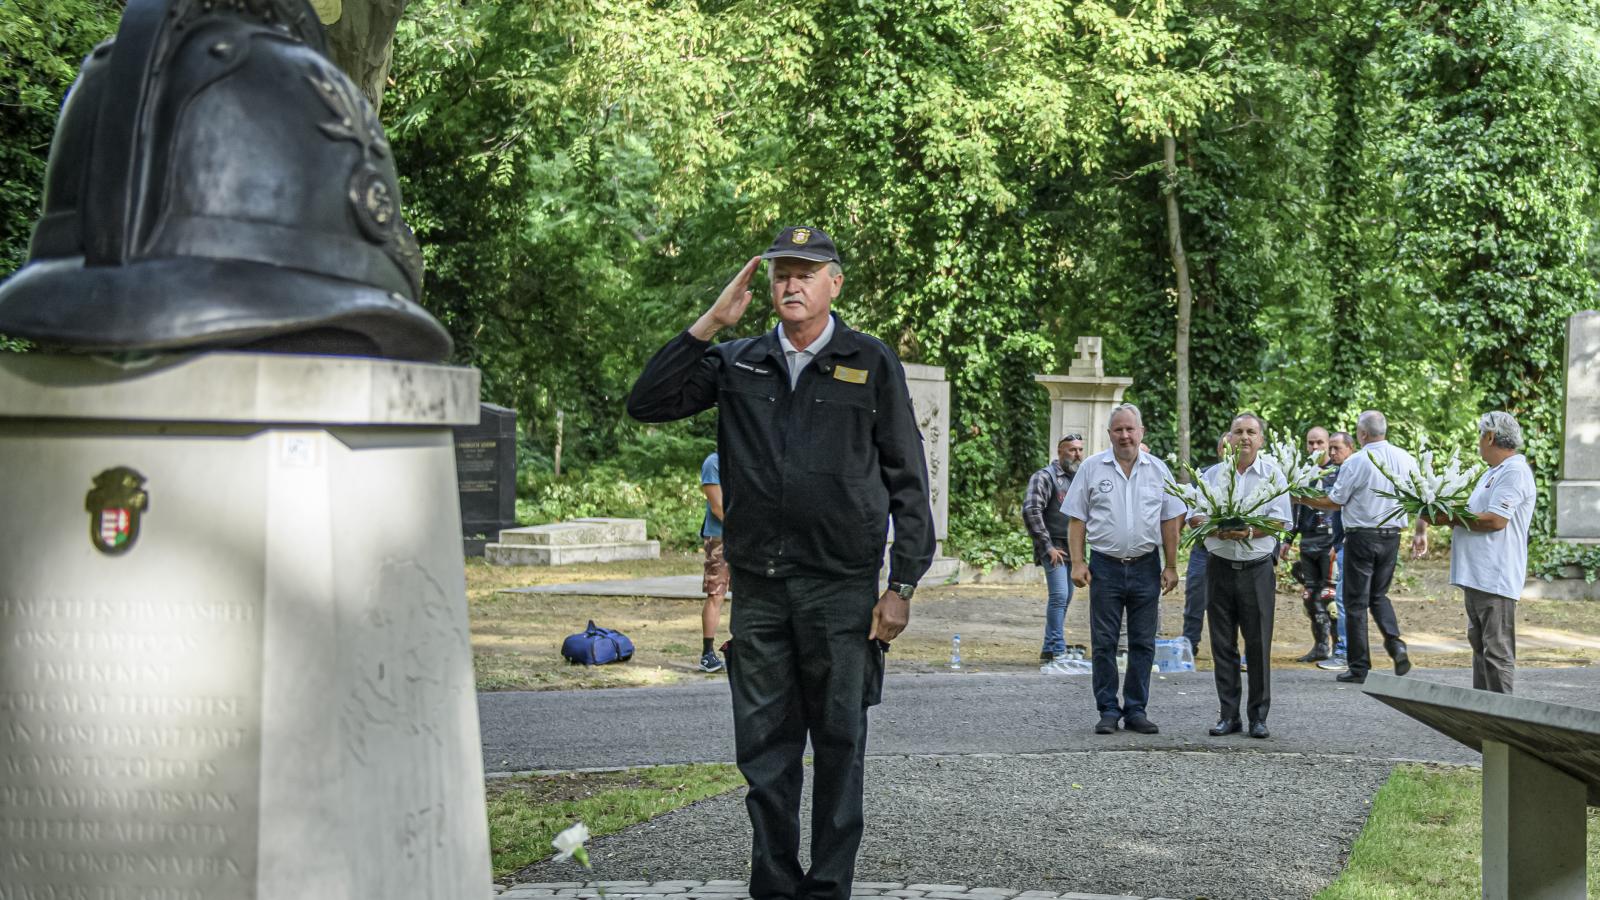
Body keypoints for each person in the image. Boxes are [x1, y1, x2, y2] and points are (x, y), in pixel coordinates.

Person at [625, 225, 934, 900]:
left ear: (834, 283)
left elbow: (908, 478)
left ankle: (827, 888)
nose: (791, 284)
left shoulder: (869, 360)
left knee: (841, 742)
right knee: (765, 752)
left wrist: (902, 582)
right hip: (761, 587)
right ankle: (773, 886)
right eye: (779, 273)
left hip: (842, 587)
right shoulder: (738, 360)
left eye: (805, 272)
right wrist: (711, 322)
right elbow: (647, 402)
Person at [1063, 403, 1185, 735]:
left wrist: (1172, 566)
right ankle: (1107, 709)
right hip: (1105, 566)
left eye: (1130, 429)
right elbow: (1077, 520)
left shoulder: (1158, 470)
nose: (1125, 435)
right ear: (1109, 435)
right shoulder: (1091, 468)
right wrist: (1077, 562)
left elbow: (1170, 520)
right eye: (1118, 429)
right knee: (1103, 642)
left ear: (1141, 432)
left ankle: (1135, 710)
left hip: (1147, 566)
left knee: (1144, 642)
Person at [1304, 410, 1426, 684]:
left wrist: (1304, 500)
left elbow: (1336, 501)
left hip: (1362, 536)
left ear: (1361, 434)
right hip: (1392, 536)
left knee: (1355, 602)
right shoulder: (1406, 459)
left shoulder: (1357, 461)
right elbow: (1422, 499)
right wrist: (1420, 532)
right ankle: (1395, 644)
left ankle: (1359, 667)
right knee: (1379, 596)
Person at [1192, 413, 1292, 738]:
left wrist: (1248, 530)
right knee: (1222, 644)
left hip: (1256, 571)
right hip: (1219, 568)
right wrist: (1213, 527)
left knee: (1258, 644)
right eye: (1239, 432)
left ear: (1260, 439)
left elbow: (1280, 522)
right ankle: (1228, 715)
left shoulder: (1273, 475)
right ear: (1229, 439)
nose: (1245, 437)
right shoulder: (1212, 475)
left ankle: (1259, 717)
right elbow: (1195, 516)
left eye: (1251, 432)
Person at [1424, 412, 1536, 693]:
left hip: (1495, 577)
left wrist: (1448, 518)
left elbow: (1496, 520)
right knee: (1481, 649)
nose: (1477, 442)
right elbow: (1477, 514)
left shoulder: (1514, 471)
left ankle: (1502, 725)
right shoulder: (1493, 472)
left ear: (1490, 436)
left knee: (1496, 653)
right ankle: (1485, 721)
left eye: (1479, 435)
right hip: (1478, 576)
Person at [1023, 433, 1085, 661]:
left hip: (1072, 546)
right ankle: (1055, 647)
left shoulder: (1078, 478)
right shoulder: (1045, 477)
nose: (1077, 454)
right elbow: (1031, 510)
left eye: (1079, 449)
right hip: (1053, 545)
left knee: (1066, 595)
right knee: (1059, 595)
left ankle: (1051, 645)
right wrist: (1046, 546)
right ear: (1060, 452)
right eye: (1072, 450)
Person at [1280, 426, 1338, 662]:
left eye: (1319, 443)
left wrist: (1340, 542)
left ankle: (1341, 648)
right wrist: (1287, 540)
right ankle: (1321, 646)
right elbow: (1296, 507)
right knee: (1309, 596)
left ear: (1328, 444)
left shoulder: (1338, 472)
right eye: (1311, 443)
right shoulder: (1303, 472)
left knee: (1329, 597)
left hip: (1330, 543)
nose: (1315, 447)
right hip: (1308, 541)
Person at [1181, 433, 1231, 657]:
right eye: (1225, 447)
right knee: (1195, 596)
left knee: (1229, 602)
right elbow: (1192, 516)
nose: (1229, 452)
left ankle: (1226, 649)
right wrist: (1217, 528)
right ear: (1219, 450)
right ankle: (1189, 644)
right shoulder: (1206, 476)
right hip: (1203, 548)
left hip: (1232, 550)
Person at [1316, 431, 1355, 671]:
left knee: (1343, 599)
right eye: (1329, 449)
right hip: (1342, 544)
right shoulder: (1338, 471)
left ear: (1350, 447)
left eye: (1336, 448)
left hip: (1352, 545)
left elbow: (1335, 503)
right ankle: (1349, 651)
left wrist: (1301, 499)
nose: (1331, 453)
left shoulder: (1350, 470)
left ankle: (1345, 652)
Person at [698, 450, 729, 672]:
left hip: (749, 536)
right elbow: (718, 507)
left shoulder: (749, 456)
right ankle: (707, 653)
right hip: (720, 537)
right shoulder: (714, 462)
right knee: (716, 594)